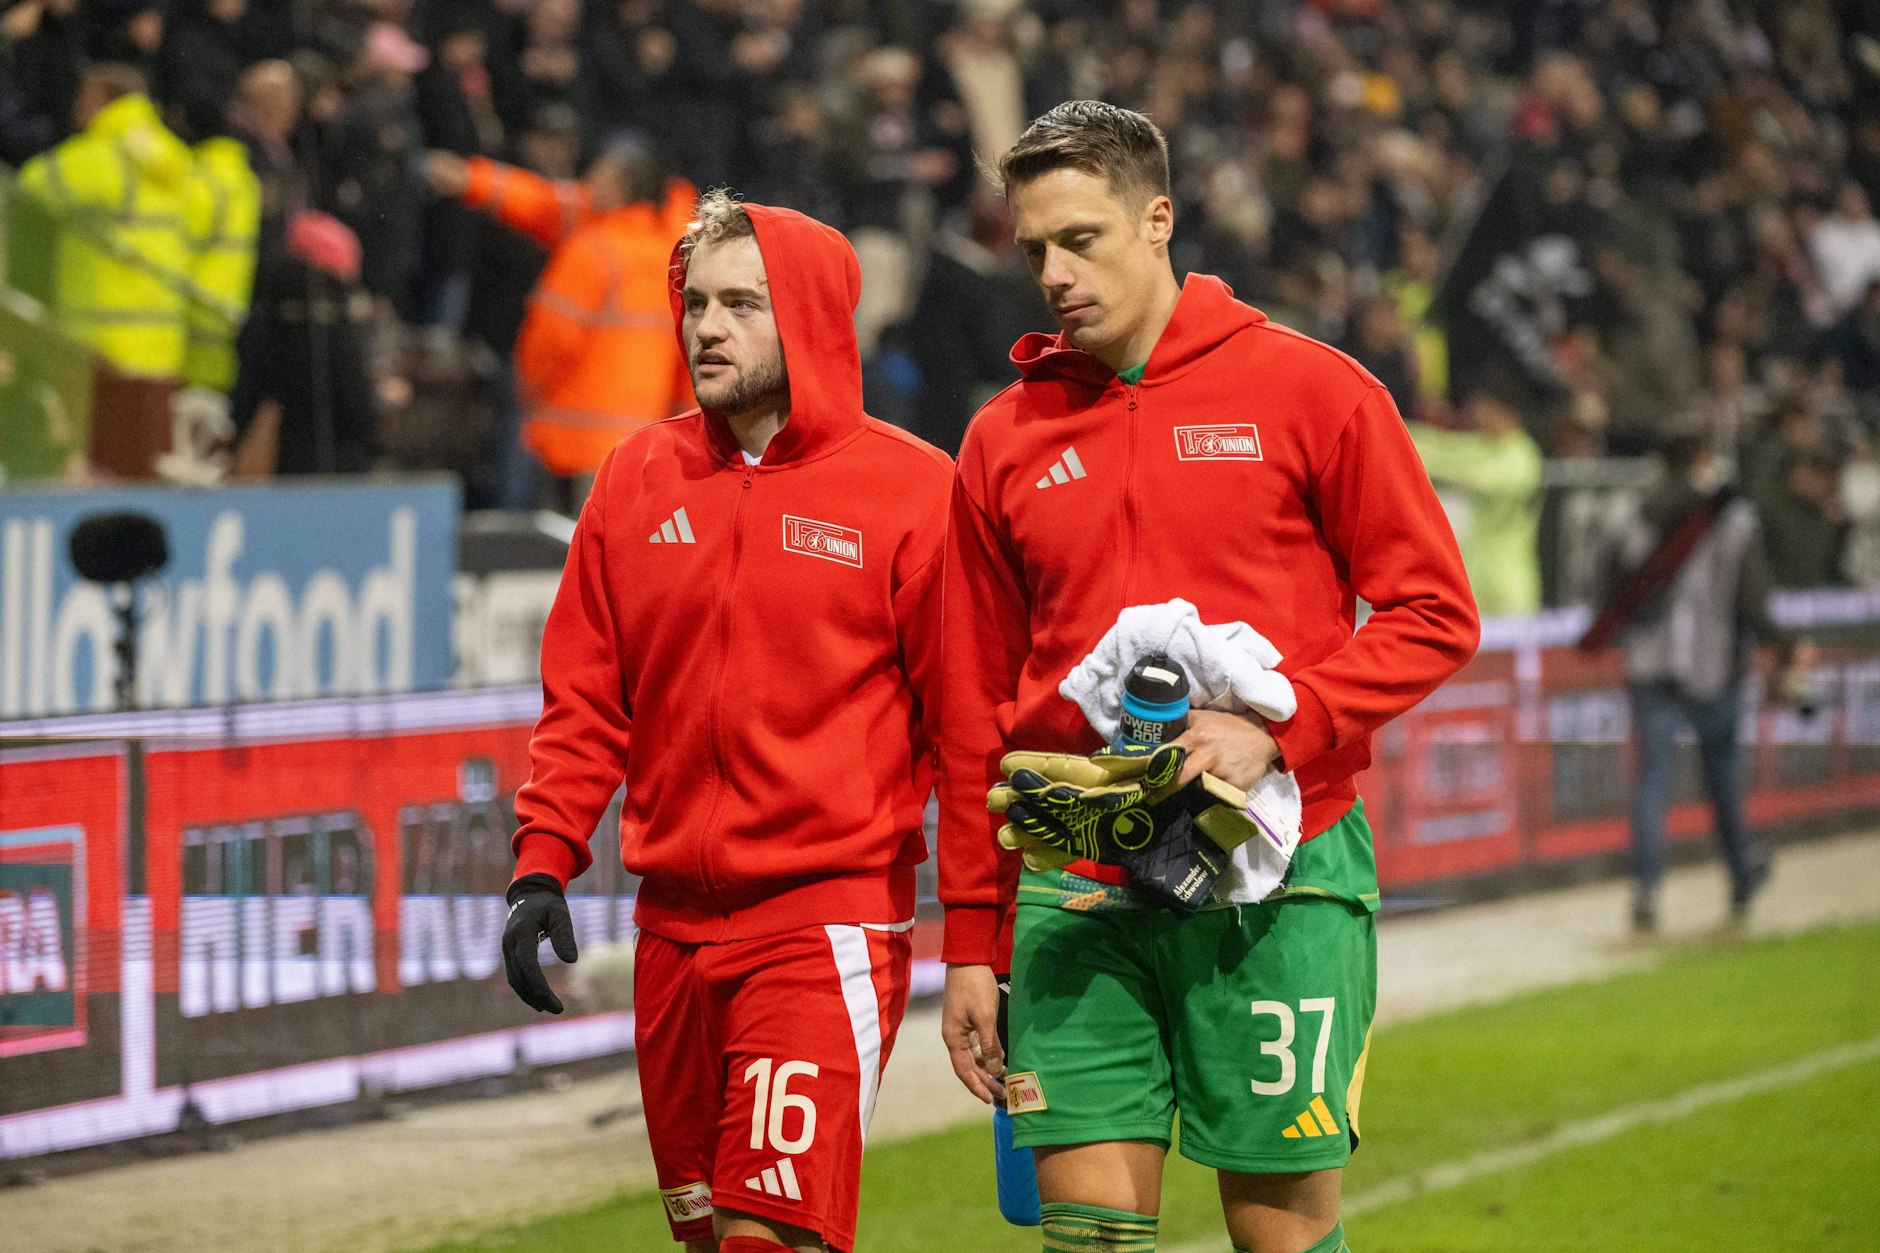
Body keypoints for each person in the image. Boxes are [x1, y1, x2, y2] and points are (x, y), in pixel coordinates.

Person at [937, 102, 1479, 1253]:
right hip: (1071, 886)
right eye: (1032, 247)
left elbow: (1436, 611)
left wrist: (1280, 730)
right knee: (1084, 1239)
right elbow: (971, 710)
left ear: (1157, 218)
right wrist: (969, 945)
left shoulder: (1312, 390)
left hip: (1273, 879)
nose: (1052, 273)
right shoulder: (1001, 439)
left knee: (1277, 1241)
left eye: (1079, 238)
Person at [501, 193, 952, 1253]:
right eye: (695, 301)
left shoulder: (912, 490)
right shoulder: (632, 476)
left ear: (806, 317)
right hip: (668, 933)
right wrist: (539, 862)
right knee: (710, 1239)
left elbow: (966, 729)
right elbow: (583, 700)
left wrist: (984, 934)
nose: (706, 326)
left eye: (741, 303)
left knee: (765, 1236)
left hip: (822, 921)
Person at [1591, 428, 1812, 931]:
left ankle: (1646, 893)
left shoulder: (1632, 516)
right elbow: (1752, 599)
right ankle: (1740, 881)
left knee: (1650, 784)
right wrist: (1786, 646)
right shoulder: (1731, 518)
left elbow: (1607, 592)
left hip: (1650, 668)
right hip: (1716, 671)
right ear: (1702, 462)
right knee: (1723, 784)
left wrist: (1622, 634)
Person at [427, 134, 697, 490]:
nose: (588, 185)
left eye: (599, 176)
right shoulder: (676, 255)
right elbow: (687, 354)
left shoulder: (591, 250)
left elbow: (549, 339)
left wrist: (528, 389)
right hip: (641, 443)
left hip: (569, 443)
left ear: (622, 187)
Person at [15, 62, 192, 377]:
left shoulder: (102, 156)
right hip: (161, 347)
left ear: (103, 100)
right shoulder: (174, 158)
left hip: (100, 345)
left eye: (83, 97)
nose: (77, 107)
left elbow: (29, 186)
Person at [1407, 377, 1545, 617]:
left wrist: (1453, 470)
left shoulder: (1524, 454)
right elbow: (1437, 447)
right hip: (1476, 576)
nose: (1476, 414)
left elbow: (1482, 479)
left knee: (1511, 653)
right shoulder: (1480, 447)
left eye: (1482, 407)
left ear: (1503, 411)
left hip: (1510, 582)